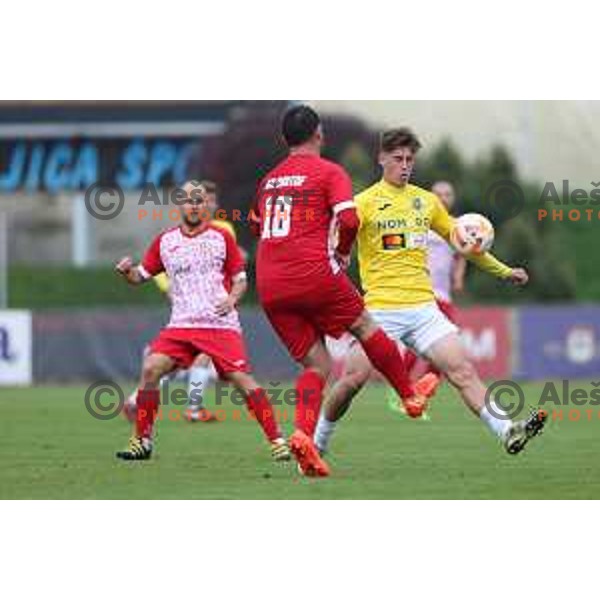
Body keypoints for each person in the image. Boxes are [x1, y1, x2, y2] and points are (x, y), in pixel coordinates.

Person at [313, 127, 546, 456]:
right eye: (398, 158)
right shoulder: (362, 203)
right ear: (381, 159)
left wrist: (505, 271)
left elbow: (466, 244)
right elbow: (333, 247)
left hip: (424, 309)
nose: (405, 165)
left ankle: (508, 430)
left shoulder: (427, 202)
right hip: (379, 310)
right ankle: (317, 443)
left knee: (462, 371)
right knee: (352, 379)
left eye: (410, 159)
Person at [252, 105, 428, 477]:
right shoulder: (330, 172)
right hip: (313, 273)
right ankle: (410, 397)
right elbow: (349, 219)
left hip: (270, 285)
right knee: (365, 326)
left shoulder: (269, 180)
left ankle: (302, 435)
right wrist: (343, 251)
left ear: (284, 140)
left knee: (317, 364)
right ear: (320, 135)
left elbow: (257, 225)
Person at [114, 181, 290, 462]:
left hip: (219, 323)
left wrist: (232, 299)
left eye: (199, 200)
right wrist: (126, 271)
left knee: (242, 380)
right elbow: (140, 276)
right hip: (181, 324)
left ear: (205, 204)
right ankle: (142, 441)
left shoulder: (221, 238)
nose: (194, 204)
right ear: (180, 204)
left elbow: (241, 281)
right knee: (151, 368)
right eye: (188, 199)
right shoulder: (165, 241)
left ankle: (277, 440)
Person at [123, 180, 244, 424]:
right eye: (203, 200)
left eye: (210, 200)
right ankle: (193, 407)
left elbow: (231, 262)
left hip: (217, 303)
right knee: (201, 356)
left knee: (177, 361)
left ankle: (137, 399)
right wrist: (169, 289)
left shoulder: (219, 231)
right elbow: (161, 267)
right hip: (203, 307)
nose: (207, 205)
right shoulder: (190, 233)